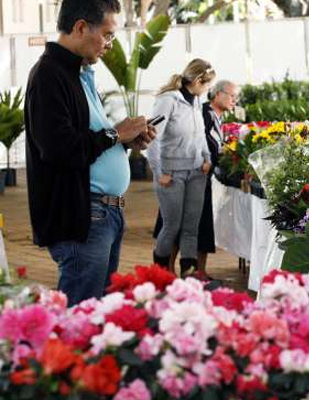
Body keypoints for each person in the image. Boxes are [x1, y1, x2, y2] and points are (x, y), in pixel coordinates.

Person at [24, 0, 156, 306]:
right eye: (108, 35)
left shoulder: (78, 74)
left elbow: (87, 140)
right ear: (81, 27)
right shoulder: (49, 75)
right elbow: (59, 148)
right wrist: (116, 133)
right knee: (80, 320)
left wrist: (125, 142)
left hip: (103, 215)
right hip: (82, 217)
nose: (110, 44)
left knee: (97, 318)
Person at [152, 80, 238, 278]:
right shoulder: (201, 112)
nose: (235, 100)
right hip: (181, 174)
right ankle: (166, 270)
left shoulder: (216, 116)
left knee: (197, 226)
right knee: (176, 225)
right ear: (217, 94)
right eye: (231, 95)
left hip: (199, 178)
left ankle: (195, 272)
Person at [147, 59, 215, 277]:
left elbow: (200, 135)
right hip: (172, 175)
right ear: (196, 81)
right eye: (206, 84)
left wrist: (207, 158)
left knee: (191, 229)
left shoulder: (196, 101)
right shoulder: (168, 101)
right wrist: (160, 173)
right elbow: (152, 139)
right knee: (172, 226)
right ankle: (159, 273)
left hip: (197, 173)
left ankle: (188, 277)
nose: (207, 89)